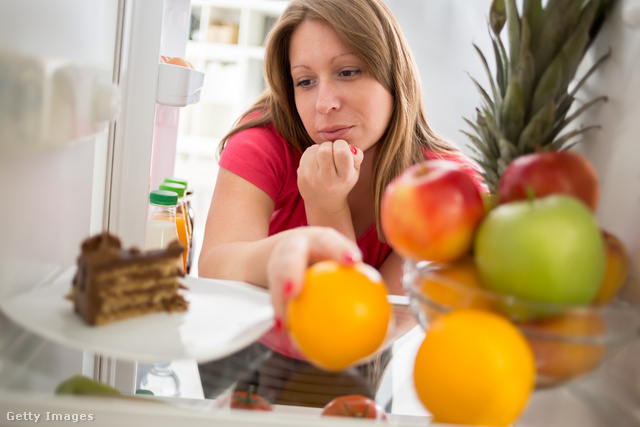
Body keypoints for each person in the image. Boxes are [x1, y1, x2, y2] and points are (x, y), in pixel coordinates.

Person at [197, 0, 483, 404]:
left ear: (392, 72)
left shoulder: (447, 189)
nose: (323, 103)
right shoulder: (263, 140)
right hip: (245, 348)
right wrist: (282, 251)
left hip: (358, 369)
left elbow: (360, 333)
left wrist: (326, 206)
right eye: (305, 81)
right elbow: (215, 267)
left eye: (347, 72)